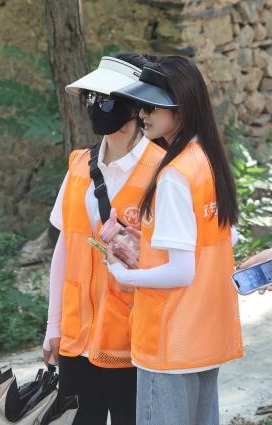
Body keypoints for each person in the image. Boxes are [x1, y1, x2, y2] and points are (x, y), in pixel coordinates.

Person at [108, 56, 243, 425]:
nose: (142, 115)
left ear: (181, 107)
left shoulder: (174, 174)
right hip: (205, 335)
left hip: (169, 337)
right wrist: (151, 241)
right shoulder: (207, 160)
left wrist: (124, 275)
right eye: (141, 107)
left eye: (152, 107)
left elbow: (182, 271)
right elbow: (216, 240)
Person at [42, 53, 166, 425]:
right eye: (92, 99)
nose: (97, 107)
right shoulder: (80, 165)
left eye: (107, 100)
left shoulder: (163, 170)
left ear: (137, 108)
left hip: (134, 339)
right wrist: (53, 327)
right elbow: (65, 245)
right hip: (77, 336)